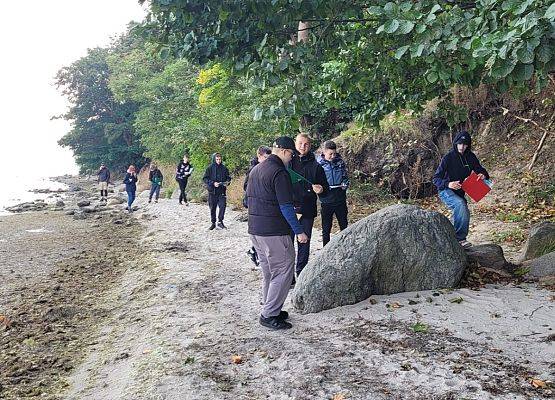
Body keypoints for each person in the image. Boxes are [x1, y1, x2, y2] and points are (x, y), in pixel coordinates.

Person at [247, 136, 309, 330]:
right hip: (274, 230)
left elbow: (247, 200)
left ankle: (270, 305)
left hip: (255, 230)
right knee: (283, 270)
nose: (292, 158)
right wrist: (299, 231)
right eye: (291, 154)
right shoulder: (279, 173)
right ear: (283, 151)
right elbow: (286, 207)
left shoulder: (257, 169)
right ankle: (269, 314)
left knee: (268, 271)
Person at [433, 130, 490, 248]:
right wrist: (448, 184)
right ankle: (460, 239)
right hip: (445, 190)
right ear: (455, 143)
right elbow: (436, 179)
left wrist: (483, 175)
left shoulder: (471, 157)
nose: (462, 147)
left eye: (464, 144)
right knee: (460, 205)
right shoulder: (448, 158)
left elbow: (481, 170)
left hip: (460, 192)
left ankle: (449, 236)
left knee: (462, 209)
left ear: (468, 145)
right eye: (459, 144)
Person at [290, 133, 329, 279]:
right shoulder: (288, 162)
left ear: (310, 146)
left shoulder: (316, 166)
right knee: (287, 243)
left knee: (304, 242)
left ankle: (301, 274)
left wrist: (321, 190)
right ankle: (289, 277)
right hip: (289, 208)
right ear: (295, 143)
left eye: (306, 144)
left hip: (307, 209)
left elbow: (325, 189)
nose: (302, 146)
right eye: (300, 143)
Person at [317, 140, 350, 246]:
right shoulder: (319, 164)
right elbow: (315, 181)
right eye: (330, 154)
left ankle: (345, 247)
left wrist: (345, 184)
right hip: (326, 199)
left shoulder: (340, 162)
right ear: (324, 152)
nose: (332, 156)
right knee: (326, 228)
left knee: (344, 225)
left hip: (340, 197)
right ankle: (325, 250)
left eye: (334, 153)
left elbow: (345, 177)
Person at [244, 146, 272, 267]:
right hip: (255, 205)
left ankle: (254, 252)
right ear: (259, 156)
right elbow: (246, 187)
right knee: (260, 233)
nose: (267, 160)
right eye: (265, 158)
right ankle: (254, 252)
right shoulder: (253, 170)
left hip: (263, 205)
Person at [202, 153, 231, 230]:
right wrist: (213, 183)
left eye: (220, 159)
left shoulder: (224, 168)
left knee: (223, 206)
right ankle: (213, 223)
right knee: (212, 208)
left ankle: (220, 222)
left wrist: (226, 183)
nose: (218, 161)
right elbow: (205, 179)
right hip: (212, 191)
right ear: (214, 159)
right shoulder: (209, 168)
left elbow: (228, 178)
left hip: (221, 191)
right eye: (217, 159)